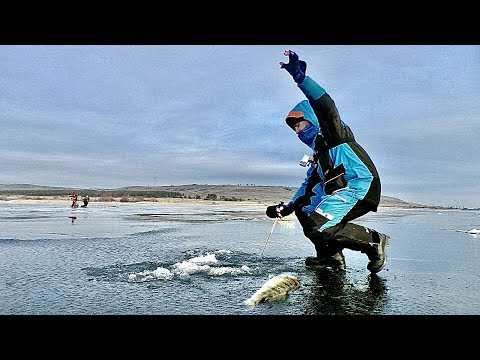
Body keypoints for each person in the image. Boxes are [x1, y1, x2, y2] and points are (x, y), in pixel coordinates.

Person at [266, 50, 389, 274]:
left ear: (311, 120)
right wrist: (288, 207)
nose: (297, 131)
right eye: (294, 129)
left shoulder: (334, 135)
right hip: (341, 193)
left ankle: (374, 241)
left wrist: (301, 79)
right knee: (305, 208)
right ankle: (330, 256)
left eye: (299, 125)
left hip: (361, 186)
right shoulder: (318, 155)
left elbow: (326, 107)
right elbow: (307, 188)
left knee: (318, 225)